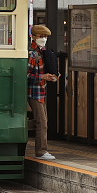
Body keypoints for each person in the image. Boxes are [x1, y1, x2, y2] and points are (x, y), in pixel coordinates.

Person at [28, 24, 58, 160]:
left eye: (45, 37)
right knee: (42, 121)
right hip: (34, 92)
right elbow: (26, 76)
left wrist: (51, 76)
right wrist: (43, 77)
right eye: (41, 36)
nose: (44, 39)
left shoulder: (41, 52)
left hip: (41, 91)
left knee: (42, 121)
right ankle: (41, 151)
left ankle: (42, 150)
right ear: (33, 36)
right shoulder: (32, 53)